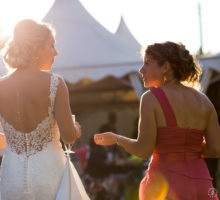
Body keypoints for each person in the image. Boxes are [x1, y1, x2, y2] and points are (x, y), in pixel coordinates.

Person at [94, 41, 220, 199]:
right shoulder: (204, 101)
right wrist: (188, 148)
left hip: (166, 185)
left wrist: (116, 138)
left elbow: (143, 151)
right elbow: (215, 149)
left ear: (165, 67)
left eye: (147, 63)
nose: (141, 69)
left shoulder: (151, 98)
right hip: (202, 185)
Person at [0, 19, 82, 199]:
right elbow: (68, 137)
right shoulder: (55, 83)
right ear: (36, 49)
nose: (56, 53)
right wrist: (75, 129)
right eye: (51, 46)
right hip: (49, 174)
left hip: (12, 178)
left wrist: (19, 141)